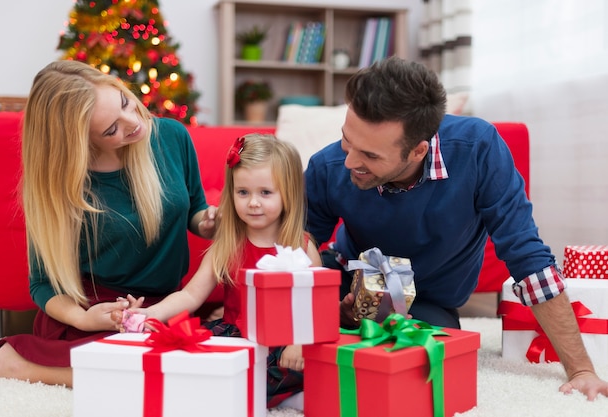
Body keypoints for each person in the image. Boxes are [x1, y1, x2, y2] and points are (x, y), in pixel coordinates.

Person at [304, 56, 608, 400]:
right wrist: (320, 307)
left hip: (427, 302)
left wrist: (581, 370)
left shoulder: (478, 149)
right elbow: (296, 245)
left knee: (423, 371)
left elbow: (528, 258)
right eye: (347, 140)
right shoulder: (326, 165)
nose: (349, 161)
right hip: (345, 279)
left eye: (370, 156)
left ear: (418, 150)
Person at [0, 60, 217, 387]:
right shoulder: (63, 185)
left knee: (182, 367)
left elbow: (195, 209)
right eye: (111, 130)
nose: (133, 121)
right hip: (95, 312)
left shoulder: (172, 137)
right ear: (82, 142)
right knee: (153, 373)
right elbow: (43, 284)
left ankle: (36, 365)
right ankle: (20, 367)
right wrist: (86, 318)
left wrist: (208, 221)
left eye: (124, 101)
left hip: (163, 307)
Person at [122, 133, 319, 408]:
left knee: (305, 363)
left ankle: (281, 394)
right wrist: (147, 314)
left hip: (286, 344)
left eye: (265, 192)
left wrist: (300, 343)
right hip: (235, 337)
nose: (253, 202)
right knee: (190, 358)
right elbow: (190, 296)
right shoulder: (227, 245)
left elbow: (316, 309)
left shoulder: (302, 247)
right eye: (243, 192)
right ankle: (262, 394)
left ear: (288, 195)